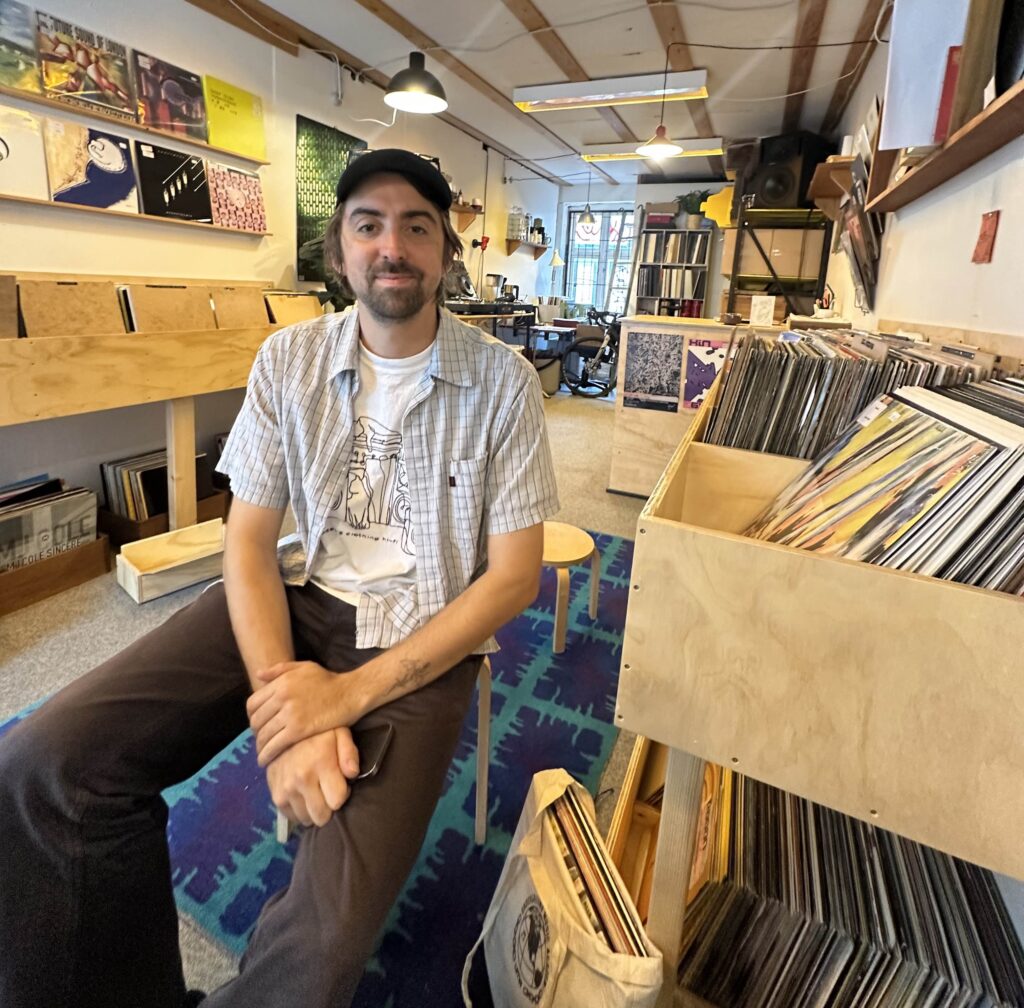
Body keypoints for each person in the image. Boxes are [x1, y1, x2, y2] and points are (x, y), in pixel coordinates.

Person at [0, 148, 559, 1008]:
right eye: (368, 225)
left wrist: (343, 697)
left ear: (447, 251)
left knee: (322, 953)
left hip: (420, 637)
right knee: (43, 765)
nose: (392, 246)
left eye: (417, 226)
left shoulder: (506, 384)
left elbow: (513, 580)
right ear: (339, 251)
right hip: (289, 598)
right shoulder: (287, 359)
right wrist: (287, 714)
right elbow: (250, 542)